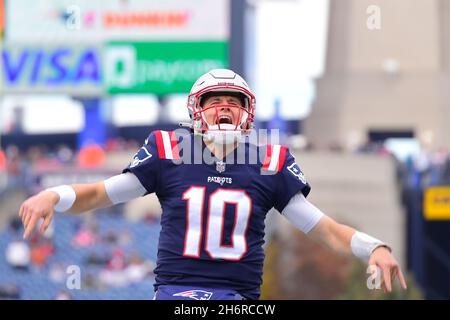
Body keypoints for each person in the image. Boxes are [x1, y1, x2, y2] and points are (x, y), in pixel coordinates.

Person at [18, 69, 407, 300]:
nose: (223, 107)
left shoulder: (268, 162)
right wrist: (53, 193)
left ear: (248, 112)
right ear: (195, 110)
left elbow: (323, 228)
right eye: (214, 100)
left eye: (232, 100)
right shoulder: (168, 150)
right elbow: (101, 193)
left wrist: (372, 247)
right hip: (176, 293)